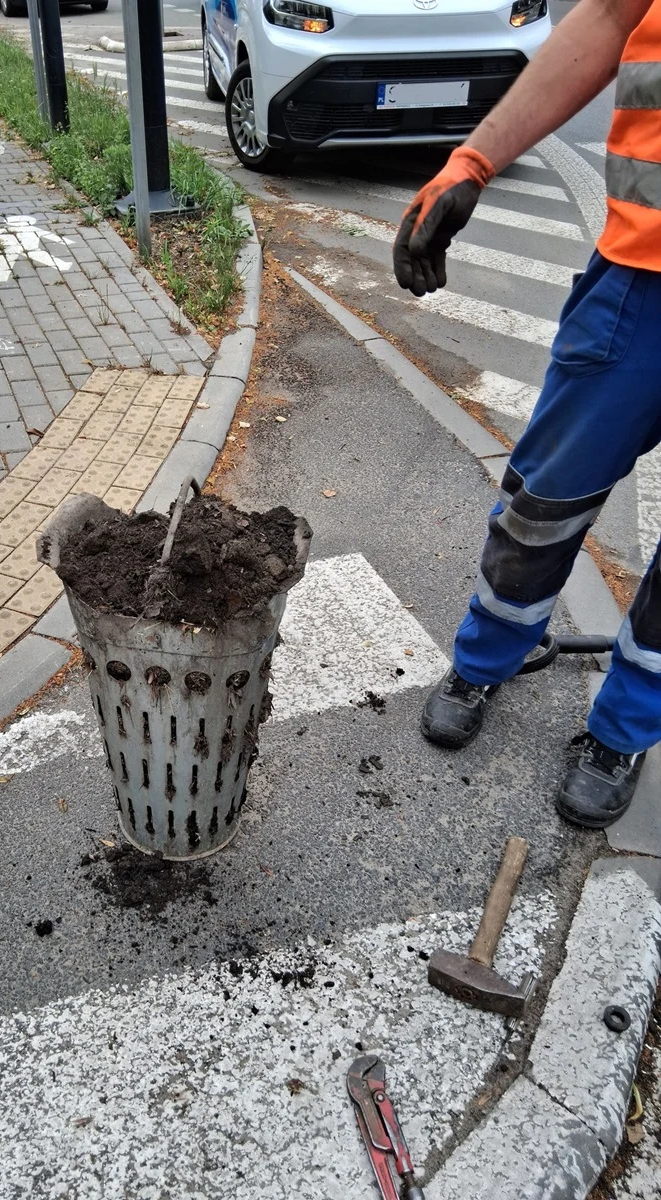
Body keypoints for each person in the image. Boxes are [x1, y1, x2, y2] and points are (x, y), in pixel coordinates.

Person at [392, 0, 661, 829]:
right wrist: (473, 161)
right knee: (543, 502)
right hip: (643, 278)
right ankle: (483, 660)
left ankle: (621, 732)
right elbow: (610, 19)